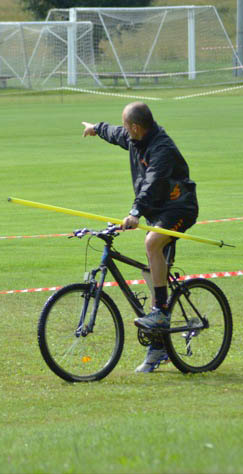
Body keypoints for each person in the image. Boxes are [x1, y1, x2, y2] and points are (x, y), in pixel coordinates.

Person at [81, 102, 198, 373]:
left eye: (126, 126)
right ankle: (159, 347)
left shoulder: (162, 149)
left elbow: (153, 182)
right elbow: (114, 133)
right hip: (157, 213)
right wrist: (95, 129)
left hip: (180, 207)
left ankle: (160, 312)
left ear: (135, 127)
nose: (124, 130)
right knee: (151, 272)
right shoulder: (135, 137)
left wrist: (135, 211)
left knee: (151, 243)